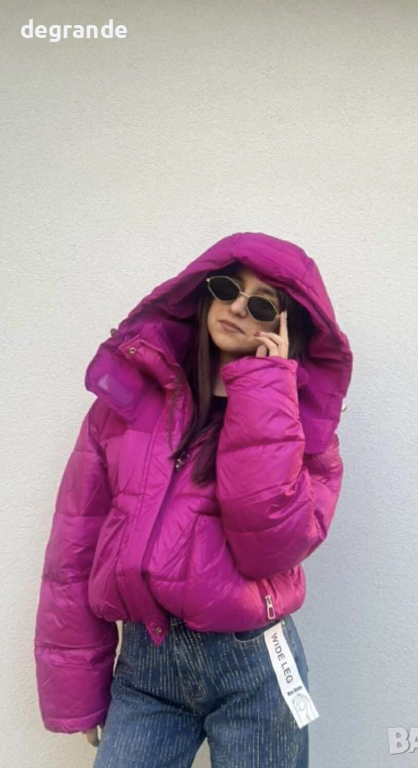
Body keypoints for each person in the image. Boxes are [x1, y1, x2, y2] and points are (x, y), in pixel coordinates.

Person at [33, 231, 353, 767]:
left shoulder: (307, 434)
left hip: (255, 667)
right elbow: (73, 550)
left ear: (287, 327)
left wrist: (266, 389)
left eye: (261, 304)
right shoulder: (127, 402)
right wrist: (76, 688)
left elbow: (268, 548)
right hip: (145, 666)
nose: (238, 308)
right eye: (227, 288)